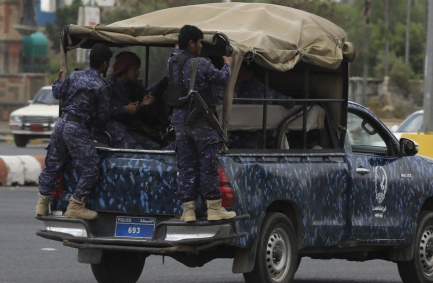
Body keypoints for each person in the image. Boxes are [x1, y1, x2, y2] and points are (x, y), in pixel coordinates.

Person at [35, 44, 112, 219]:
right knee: (92, 168)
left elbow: (57, 93)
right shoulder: (100, 86)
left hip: (61, 124)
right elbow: (103, 117)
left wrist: (57, 81)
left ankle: (41, 204)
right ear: (105, 64)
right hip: (77, 128)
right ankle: (76, 205)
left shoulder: (75, 75)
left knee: (53, 164)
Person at [167, 25, 235, 223]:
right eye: (198, 43)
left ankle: (188, 210)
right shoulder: (202, 63)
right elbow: (222, 79)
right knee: (208, 165)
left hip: (179, 121)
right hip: (200, 121)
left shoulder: (172, 62)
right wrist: (228, 64)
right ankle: (214, 208)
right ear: (191, 43)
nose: (201, 47)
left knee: (186, 165)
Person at [98, 51, 160, 149]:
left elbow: (133, 114)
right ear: (124, 68)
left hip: (127, 129)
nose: (137, 73)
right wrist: (124, 109)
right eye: (135, 69)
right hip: (111, 130)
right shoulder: (107, 85)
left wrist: (142, 105)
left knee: (154, 147)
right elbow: (101, 112)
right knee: (139, 150)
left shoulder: (132, 88)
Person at [230, 65, 295, 149]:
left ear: (249, 73)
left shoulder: (238, 92)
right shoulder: (266, 90)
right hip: (260, 135)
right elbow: (290, 103)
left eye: (240, 72)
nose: (238, 75)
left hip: (240, 134)